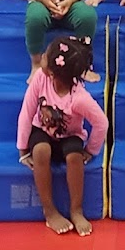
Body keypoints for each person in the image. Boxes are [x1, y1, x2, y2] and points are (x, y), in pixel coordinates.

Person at [17, 35, 109, 236]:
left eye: (45, 57)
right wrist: (23, 149)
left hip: (69, 135)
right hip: (42, 131)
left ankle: (76, 210)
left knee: (74, 157)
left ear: (52, 71)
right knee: (41, 150)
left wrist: (91, 150)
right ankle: (49, 211)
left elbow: (102, 123)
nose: (42, 56)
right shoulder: (40, 78)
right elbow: (27, 111)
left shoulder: (79, 98)